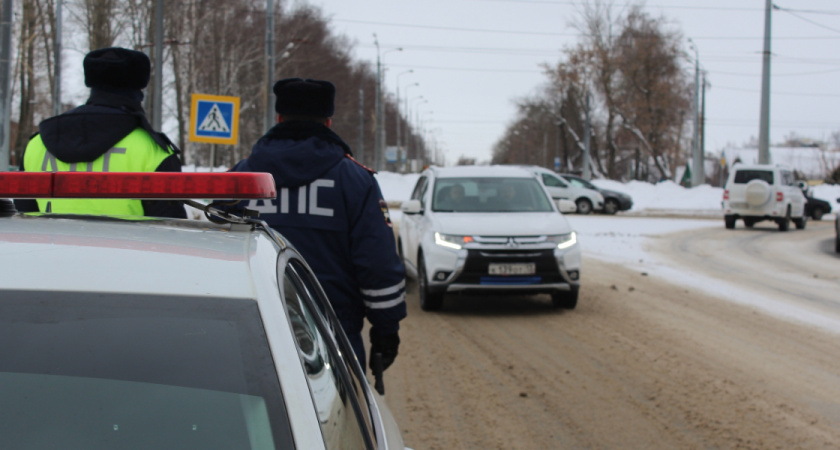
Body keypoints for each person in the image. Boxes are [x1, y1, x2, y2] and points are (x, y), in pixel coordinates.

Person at [228, 78, 406, 373]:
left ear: (279, 118)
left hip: (251, 329)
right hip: (333, 334)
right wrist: (386, 330)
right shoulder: (355, 180)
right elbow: (377, 263)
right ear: (328, 121)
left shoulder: (240, 178)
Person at [14, 47, 185, 219]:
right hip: (128, 246)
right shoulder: (154, 151)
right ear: (139, 88)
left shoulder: (38, 145)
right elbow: (171, 228)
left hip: (49, 245)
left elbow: (25, 217)